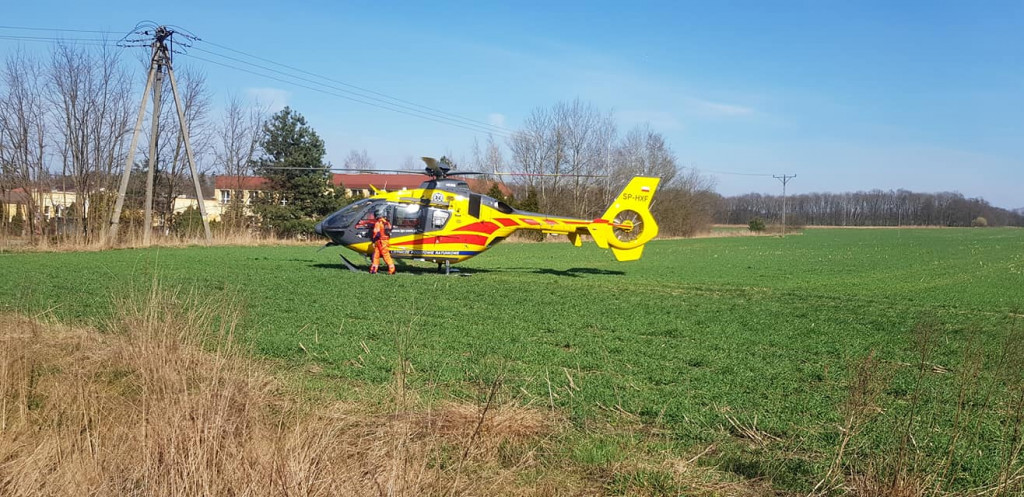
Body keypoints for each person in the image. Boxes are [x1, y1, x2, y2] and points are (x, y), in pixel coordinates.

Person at [370, 209, 396, 275]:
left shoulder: (378, 223)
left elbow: (377, 233)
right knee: (380, 255)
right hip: (385, 241)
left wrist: (373, 241)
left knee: (382, 256)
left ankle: (391, 270)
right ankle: (374, 269)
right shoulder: (387, 222)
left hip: (380, 241)